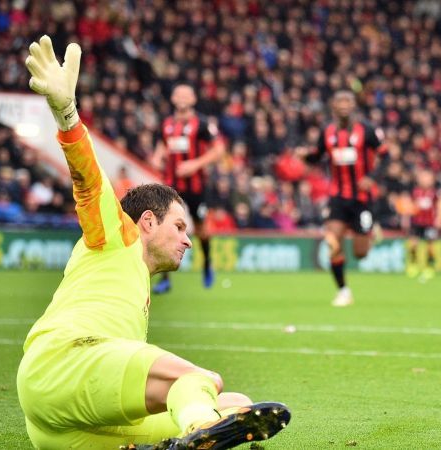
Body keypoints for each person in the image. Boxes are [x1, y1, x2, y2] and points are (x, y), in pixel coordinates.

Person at [17, 36, 290, 450]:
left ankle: (189, 433)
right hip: (65, 365)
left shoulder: (134, 277)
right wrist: (67, 114)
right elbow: (88, 181)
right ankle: (198, 433)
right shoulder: (116, 235)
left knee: (235, 404)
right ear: (147, 221)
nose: (188, 240)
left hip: (61, 426)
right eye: (179, 227)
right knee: (200, 381)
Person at [305, 90, 384, 307]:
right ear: (333, 106)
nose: (343, 105)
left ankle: (369, 232)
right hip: (337, 197)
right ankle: (343, 291)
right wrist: (305, 155)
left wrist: (371, 177)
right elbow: (316, 155)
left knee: (360, 254)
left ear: (354, 105)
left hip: (362, 199)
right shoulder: (327, 132)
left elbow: (385, 155)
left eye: (347, 101)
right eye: (339, 101)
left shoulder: (367, 130)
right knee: (332, 241)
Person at [150, 84, 225, 293]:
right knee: (164, 227)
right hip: (170, 187)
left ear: (193, 99)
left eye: (186, 94)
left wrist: (195, 164)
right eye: (178, 94)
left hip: (196, 187)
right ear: (173, 98)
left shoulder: (201, 124)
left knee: (201, 228)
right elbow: (162, 146)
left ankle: (207, 263)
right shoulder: (166, 124)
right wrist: (157, 157)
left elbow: (219, 150)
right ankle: (164, 278)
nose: (182, 97)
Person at [405, 169, 441, 282]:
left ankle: (429, 267)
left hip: (429, 223)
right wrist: (406, 219)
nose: (425, 180)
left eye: (428, 178)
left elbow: (439, 206)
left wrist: (439, 218)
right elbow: (409, 206)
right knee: (413, 244)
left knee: (430, 246)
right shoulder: (415, 192)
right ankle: (413, 264)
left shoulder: (435, 193)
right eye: (423, 178)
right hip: (416, 222)